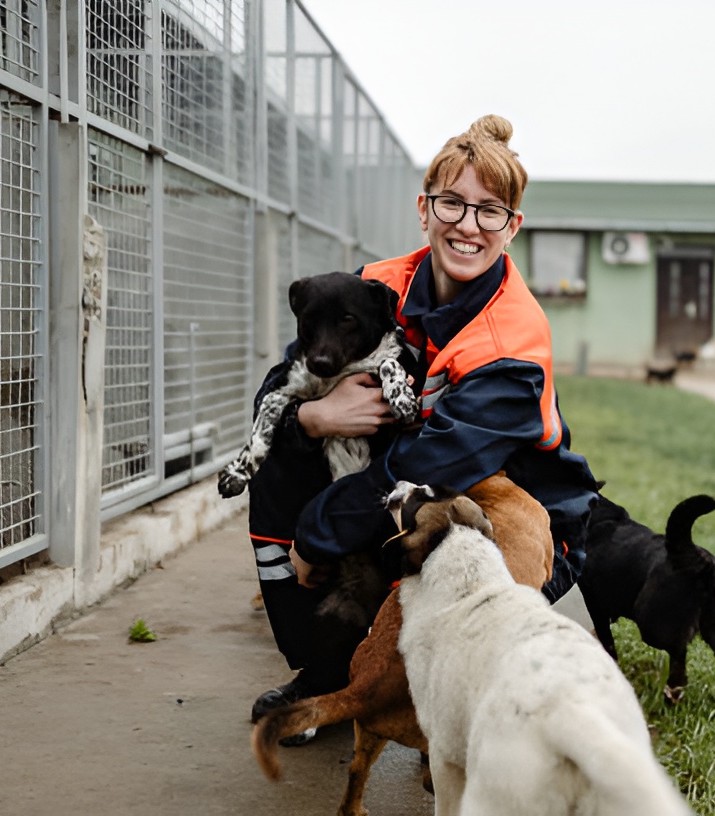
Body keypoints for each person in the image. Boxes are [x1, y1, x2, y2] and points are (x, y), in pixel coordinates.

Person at [243, 114, 601, 729]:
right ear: (424, 209)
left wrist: (315, 534)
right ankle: (322, 664)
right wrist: (315, 415)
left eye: (489, 211)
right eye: (453, 203)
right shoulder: (376, 286)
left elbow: (430, 464)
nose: (467, 225)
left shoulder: (514, 334)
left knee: (457, 649)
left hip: (504, 500)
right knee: (280, 443)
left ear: (511, 227)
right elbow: (284, 380)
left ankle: (462, 711)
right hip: (400, 491)